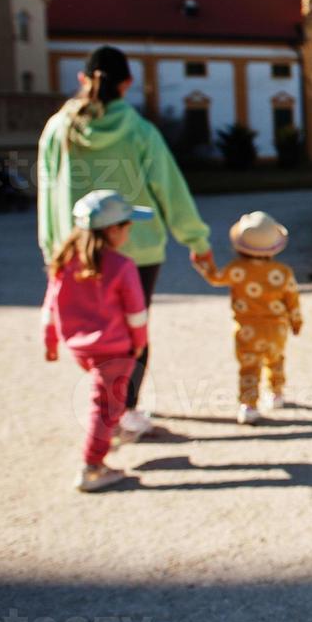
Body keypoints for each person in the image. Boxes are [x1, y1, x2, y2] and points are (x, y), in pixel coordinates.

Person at [37, 46, 214, 438]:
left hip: (79, 249)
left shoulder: (58, 129)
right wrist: (196, 238)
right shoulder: (140, 131)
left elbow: (48, 193)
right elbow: (169, 188)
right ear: (127, 84)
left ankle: (106, 405)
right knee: (134, 328)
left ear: (83, 80)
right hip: (139, 249)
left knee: (95, 329)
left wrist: (52, 248)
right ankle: (124, 408)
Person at [42, 190, 155, 492]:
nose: (130, 231)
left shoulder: (65, 262)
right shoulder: (121, 265)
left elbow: (51, 306)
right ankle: (92, 466)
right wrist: (140, 343)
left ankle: (112, 434)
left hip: (82, 349)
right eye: (128, 225)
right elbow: (136, 313)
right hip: (115, 349)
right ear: (113, 229)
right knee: (105, 406)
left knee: (108, 399)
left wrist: (50, 341)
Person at [195, 211, 303, 425]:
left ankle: (249, 405)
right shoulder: (282, 272)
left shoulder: (237, 269)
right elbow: (292, 300)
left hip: (247, 330)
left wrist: (203, 262)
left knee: (249, 366)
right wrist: (296, 321)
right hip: (277, 328)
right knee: (276, 359)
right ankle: (277, 393)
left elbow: (215, 278)